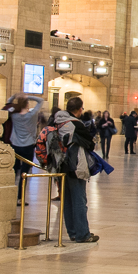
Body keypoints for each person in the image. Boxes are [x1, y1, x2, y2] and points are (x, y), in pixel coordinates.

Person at [53, 96, 99, 243]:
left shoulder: (56, 120)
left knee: (66, 199)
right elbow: (89, 144)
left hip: (59, 164)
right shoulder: (76, 124)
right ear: (80, 109)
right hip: (75, 165)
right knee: (79, 199)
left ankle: (72, 232)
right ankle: (83, 234)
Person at [5, 93, 44, 202]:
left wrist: (15, 96)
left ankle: (10, 195)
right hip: (28, 146)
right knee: (24, 173)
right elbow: (40, 100)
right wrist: (28, 96)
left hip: (16, 145)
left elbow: (8, 102)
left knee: (14, 171)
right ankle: (20, 198)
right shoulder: (32, 115)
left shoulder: (14, 115)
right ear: (27, 104)